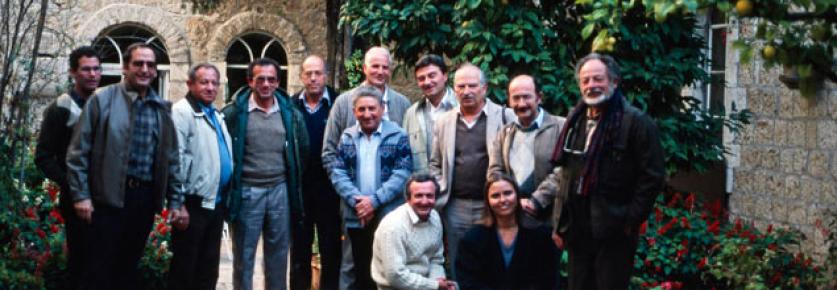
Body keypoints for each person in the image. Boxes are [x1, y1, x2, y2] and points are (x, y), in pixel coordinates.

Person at [66, 42, 186, 290]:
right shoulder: (102, 100)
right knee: (97, 271)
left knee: (127, 269)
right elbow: (78, 153)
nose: (145, 69)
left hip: (143, 201)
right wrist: (81, 196)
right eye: (138, 64)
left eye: (150, 65)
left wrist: (175, 200)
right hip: (106, 201)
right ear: (125, 67)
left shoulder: (161, 109)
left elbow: (171, 159)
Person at [548, 53, 664, 289]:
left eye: (597, 79)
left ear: (614, 82)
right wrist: (559, 223)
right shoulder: (575, 121)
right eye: (586, 80)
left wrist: (630, 219)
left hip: (614, 231)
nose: (591, 86)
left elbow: (652, 177)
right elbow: (566, 175)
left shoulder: (636, 123)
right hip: (578, 230)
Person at [321, 46, 411, 290]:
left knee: (390, 263)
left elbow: (404, 163)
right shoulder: (343, 103)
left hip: (390, 204)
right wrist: (357, 199)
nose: (380, 71)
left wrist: (376, 200)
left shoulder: (402, 104)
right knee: (352, 264)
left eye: (385, 67)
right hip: (354, 205)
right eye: (375, 66)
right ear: (364, 68)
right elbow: (330, 155)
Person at [222, 58, 309, 290]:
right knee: (244, 256)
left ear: (278, 82)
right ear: (250, 81)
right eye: (260, 79)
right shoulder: (234, 113)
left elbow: (303, 150)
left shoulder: (290, 113)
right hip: (248, 192)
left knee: (279, 257)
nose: (266, 84)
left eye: (271, 79)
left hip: (280, 190)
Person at [428, 63, 514, 277]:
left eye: (472, 86)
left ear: (484, 88)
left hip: (493, 205)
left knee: (496, 259)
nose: (466, 91)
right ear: (454, 89)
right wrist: (441, 186)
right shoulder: (444, 121)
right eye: (461, 86)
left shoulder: (505, 117)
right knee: (460, 262)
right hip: (455, 206)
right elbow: (435, 163)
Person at [34, 45, 101, 290]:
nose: (92, 74)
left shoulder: (100, 104)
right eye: (86, 69)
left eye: (96, 69)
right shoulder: (62, 108)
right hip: (77, 201)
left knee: (101, 264)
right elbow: (43, 156)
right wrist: (71, 186)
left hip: (104, 198)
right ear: (73, 72)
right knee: (81, 265)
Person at [168, 63, 233, 290]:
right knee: (185, 272)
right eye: (204, 82)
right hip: (192, 206)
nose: (210, 87)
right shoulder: (182, 112)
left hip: (214, 205)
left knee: (207, 272)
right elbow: (175, 159)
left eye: (214, 83)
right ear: (190, 84)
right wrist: (179, 203)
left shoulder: (215, 114)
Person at [290, 55, 342, 290]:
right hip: (300, 189)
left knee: (331, 249)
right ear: (301, 76)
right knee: (299, 249)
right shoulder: (291, 106)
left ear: (325, 75)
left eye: (318, 73)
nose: (313, 78)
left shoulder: (338, 105)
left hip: (330, 189)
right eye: (308, 73)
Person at [455, 173, 556, 290]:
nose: (503, 200)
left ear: (517, 196)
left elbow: (547, 280)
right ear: (487, 201)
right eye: (495, 196)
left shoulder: (540, 235)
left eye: (508, 193)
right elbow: (468, 281)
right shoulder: (472, 238)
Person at [488, 74, 565, 228]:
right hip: (513, 216)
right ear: (509, 100)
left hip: (548, 217)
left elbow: (565, 170)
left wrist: (537, 200)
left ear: (539, 97)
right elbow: (495, 170)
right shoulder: (505, 132)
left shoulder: (560, 127)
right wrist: (510, 200)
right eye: (515, 98)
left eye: (526, 97)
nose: (521, 103)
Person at [371, 173, 455, 290]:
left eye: (429, 196)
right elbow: (395, 276)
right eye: (418, 196)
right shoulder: (393, 226)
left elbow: (436, 258)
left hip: (427, 284)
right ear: (408, 199)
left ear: (435, 198)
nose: (424, 201)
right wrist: (434, 285)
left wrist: (437, 280)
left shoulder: (435, 217)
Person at [403, 54, 457, 172]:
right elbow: (405, 156)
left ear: (445, 76)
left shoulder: (460, 107)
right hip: (423, 187)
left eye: (432, 76)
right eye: (421, 78)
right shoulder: (411, 114)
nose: (427, 82)